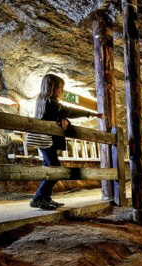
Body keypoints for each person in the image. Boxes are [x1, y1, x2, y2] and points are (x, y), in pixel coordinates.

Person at [30, 74, 103, 210]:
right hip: (45, 138)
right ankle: (38, 198)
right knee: (55, 167)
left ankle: (45, 197)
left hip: (44, 139)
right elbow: (67, 111)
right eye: (59, 88)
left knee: (48, 167)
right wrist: (91, 114)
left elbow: (58, 115)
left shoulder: (43, 101)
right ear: (51, 87)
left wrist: (63, 119)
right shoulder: (50, 102)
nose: (61, 91)